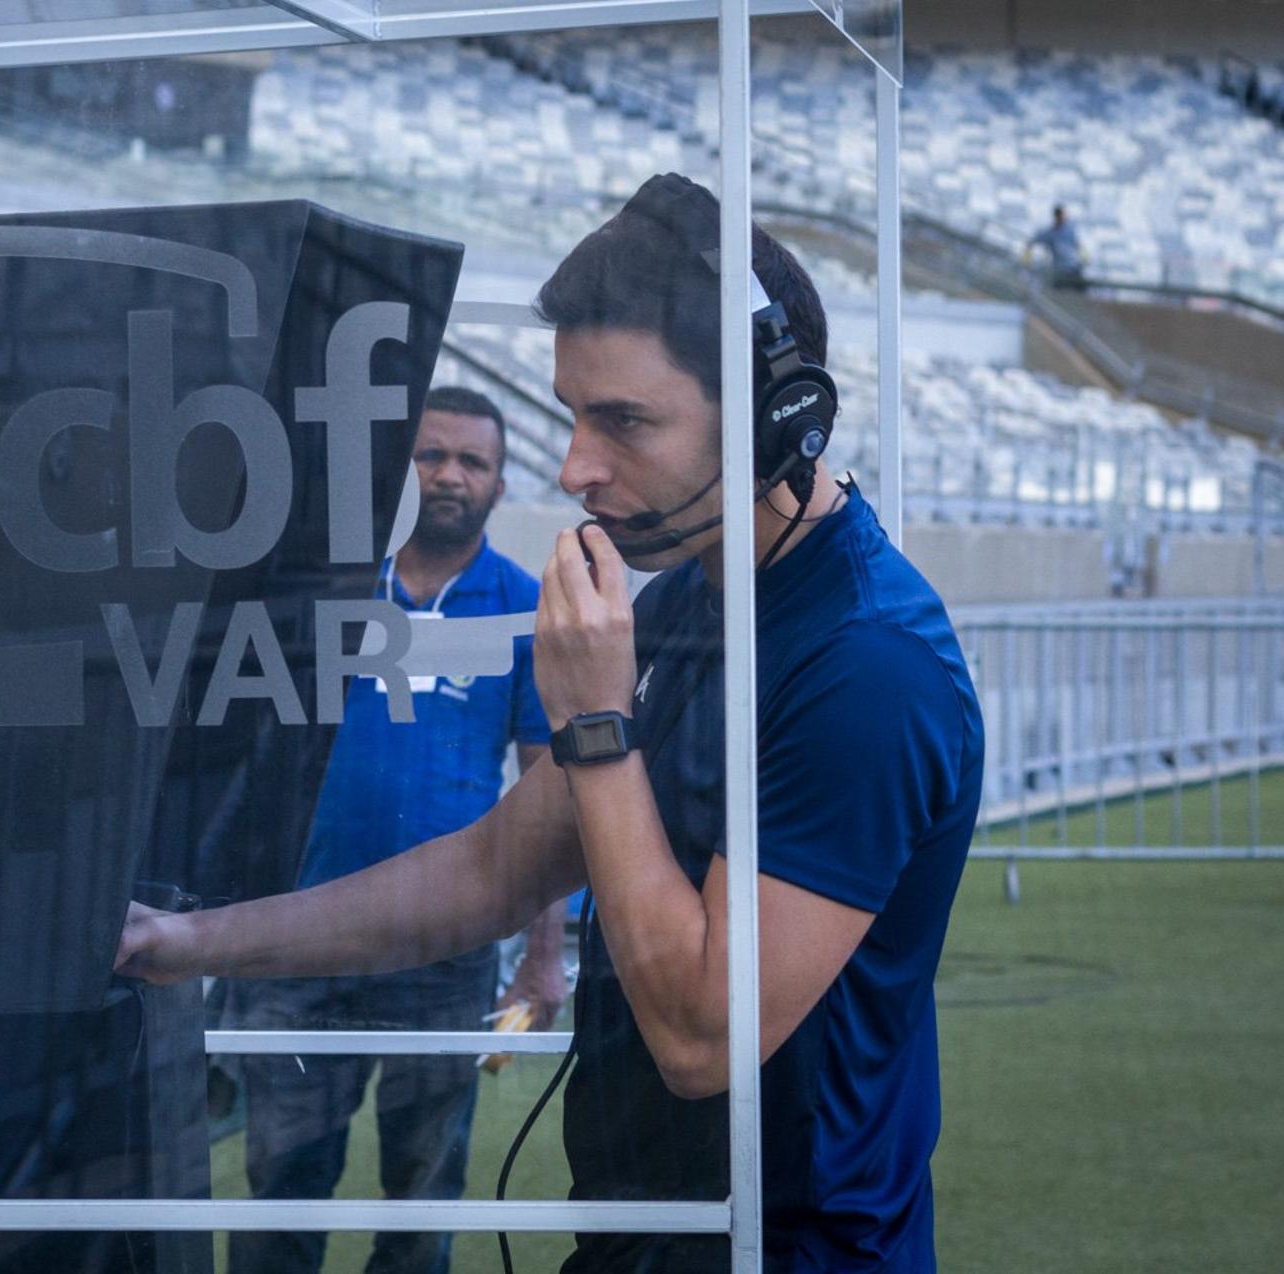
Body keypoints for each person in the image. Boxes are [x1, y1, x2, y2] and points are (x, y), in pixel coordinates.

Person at [120, 172, 984, 1272]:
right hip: (640, 1236)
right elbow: (489, 868)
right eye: (574, 415)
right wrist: (190, 940)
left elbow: (702, 1035)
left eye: (623, 420)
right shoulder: (688, 603)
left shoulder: (869, 664)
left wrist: (592, 726)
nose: (575, 466)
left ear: (781, 419)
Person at [223, 384, 568, 1274]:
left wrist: (540, 956)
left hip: (445, 947)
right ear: (399, 471)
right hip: (303, 938)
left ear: (498, 484)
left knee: (422, 1197)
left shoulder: (523, 609)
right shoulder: (325, 595)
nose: (449, 475)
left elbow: (546, 796)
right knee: (281, 1186)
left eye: (472, 461)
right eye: (431, 455)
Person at [1025, 204, 1088, 289]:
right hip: (1060, 269)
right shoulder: (1050, 233)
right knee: (1059, 291)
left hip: (1074, 267)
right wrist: (1027, 259)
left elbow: (1078, 245)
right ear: (1056, 217)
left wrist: (1084, 257)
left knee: (1080, 289)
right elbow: (1031, 242)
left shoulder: (1070, 230)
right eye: (1060, 216)